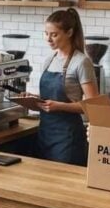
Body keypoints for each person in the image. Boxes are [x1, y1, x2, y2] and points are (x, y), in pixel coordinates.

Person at [35, 9, 99, 166]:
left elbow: (93, 106)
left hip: (67, 138)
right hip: (45, 132)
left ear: (69, 32)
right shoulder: (49, 60)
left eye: (54, 34)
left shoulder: (81, 62)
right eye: (46, 33)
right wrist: (32, 98)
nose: (48, 39)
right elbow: (46, 98)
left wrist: (59, 106)